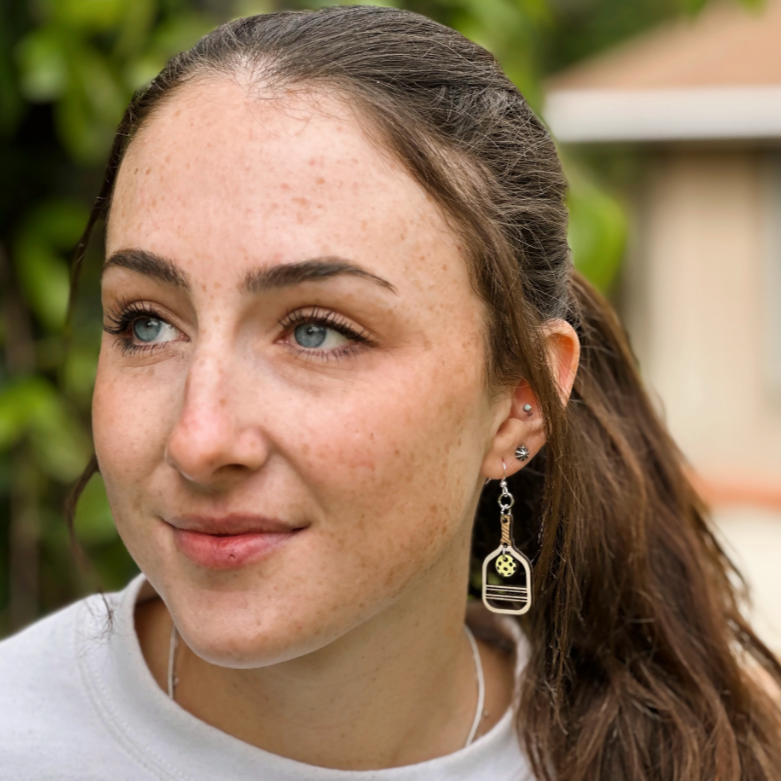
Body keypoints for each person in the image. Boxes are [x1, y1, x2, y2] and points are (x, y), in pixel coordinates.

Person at [1, 6, 779, 780]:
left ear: (521, 401)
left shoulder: (685, 758)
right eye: (145, 323)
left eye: (317, 331)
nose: (199, 439)